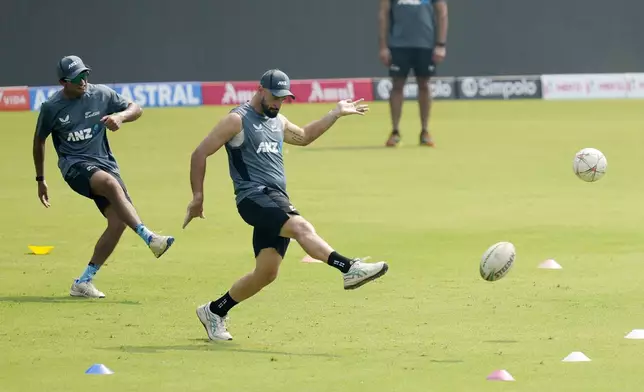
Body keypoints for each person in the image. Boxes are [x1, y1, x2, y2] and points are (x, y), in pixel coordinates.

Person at [183, 69, 389, 341]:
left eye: (283, 98)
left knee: (266, 273)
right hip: (253, 197)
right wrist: (198, 196)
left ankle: (214, 311)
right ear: (260, 90)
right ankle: (349, 268)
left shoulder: (278, 121)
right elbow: (200, 153)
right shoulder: (237, 120)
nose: (278, 103)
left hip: (276, 198)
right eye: (275, 97)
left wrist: (334, 113)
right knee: (302, 226)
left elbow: (304, 136)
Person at [32, 55, 175, 299]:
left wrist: (120, 117)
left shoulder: (101, 94)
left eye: (85, 74)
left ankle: (83, 282)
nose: (83, 80)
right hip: (74, 167)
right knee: (109, 183)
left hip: (105, 163)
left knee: (118, 222)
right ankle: (149, 237)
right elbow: (39, 141)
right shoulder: (51, 108)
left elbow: (136, 108)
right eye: (77, 77)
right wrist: (40, 179)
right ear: (63, 82)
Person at [379, 0, 449, 147]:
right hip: (398, 45)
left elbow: (442, 12)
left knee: (424, 85)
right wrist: (383, 46)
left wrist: (441, 44)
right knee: (397, 85)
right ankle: (395, 131)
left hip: (425, 44)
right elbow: (383, 14)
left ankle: (425, 131)